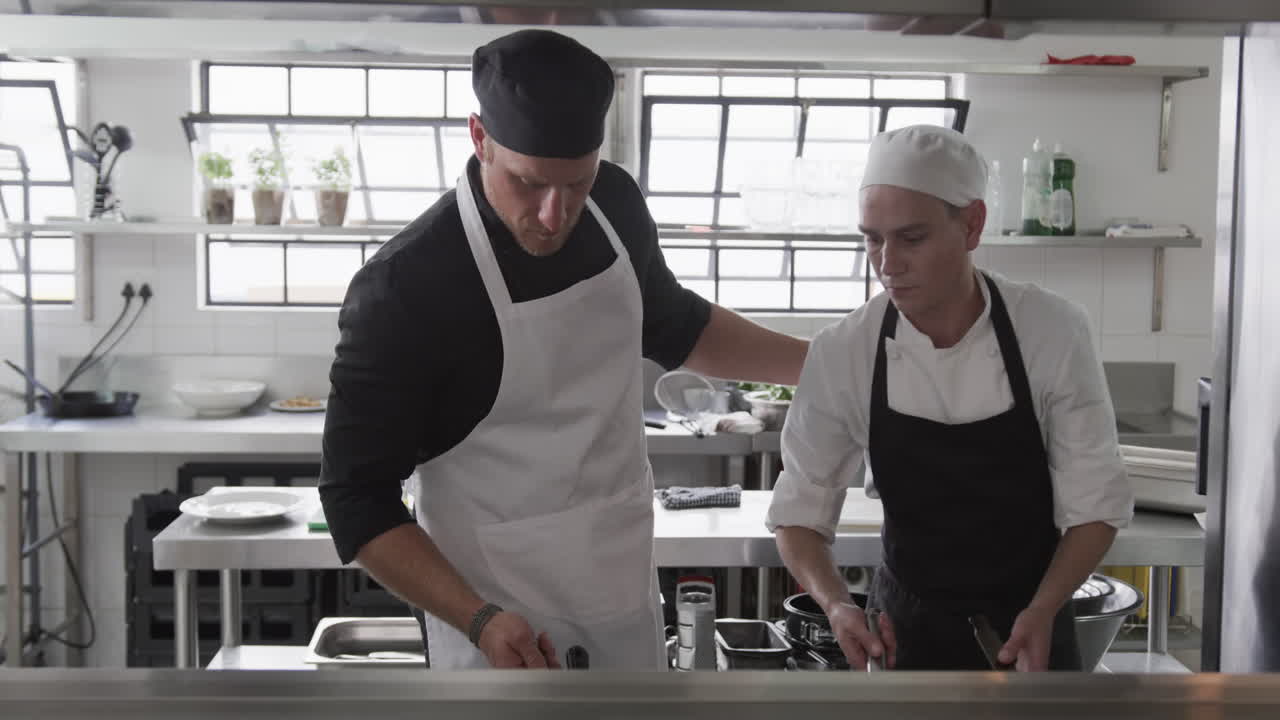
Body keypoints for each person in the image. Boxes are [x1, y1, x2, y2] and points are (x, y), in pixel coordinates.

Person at [319, 29, 808, 671]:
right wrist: (479, 619)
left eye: (577, 183)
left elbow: (676, 326)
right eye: (528, 183)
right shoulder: (404, 287)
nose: (554, 215)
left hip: (619, 584)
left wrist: (826, 366)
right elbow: (355, 500)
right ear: (479, 138)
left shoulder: (616, 204)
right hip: (492, 616)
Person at [766, 125, 1133, 672]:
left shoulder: (1051, 331)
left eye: (911, 238)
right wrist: (837, 604)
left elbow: (1097, 506)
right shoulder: (845, 350)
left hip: (1032, 626)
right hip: (903, 635)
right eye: (872, 239)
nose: (887, 263)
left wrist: (1044, 609)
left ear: (972, 225)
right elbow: (798, 514)